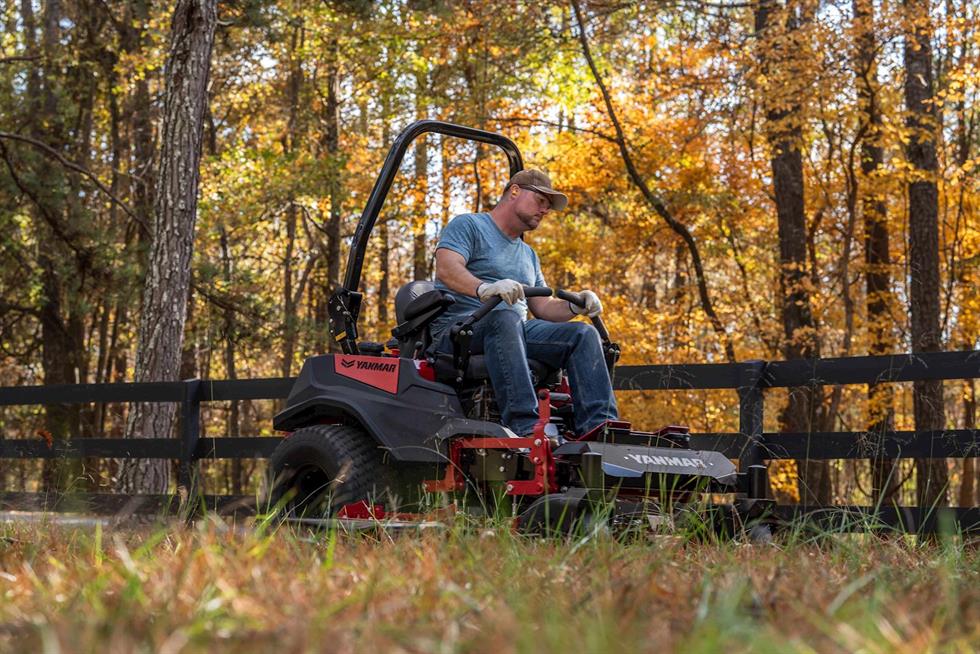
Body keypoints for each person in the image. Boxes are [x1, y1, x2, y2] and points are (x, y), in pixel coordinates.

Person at [431, 169, 618, 438]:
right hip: (461, 330)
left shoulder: (528, 254)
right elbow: (447, 269)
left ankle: (601, 429)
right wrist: (484, 288)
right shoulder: (469, 226)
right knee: (504, 317)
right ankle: (526, 427)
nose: (545, 210)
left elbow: (543, 308)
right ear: (515, 191)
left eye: (548, 207)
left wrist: (576, 306)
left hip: (511, 330)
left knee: (582, 333)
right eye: (541, 201)